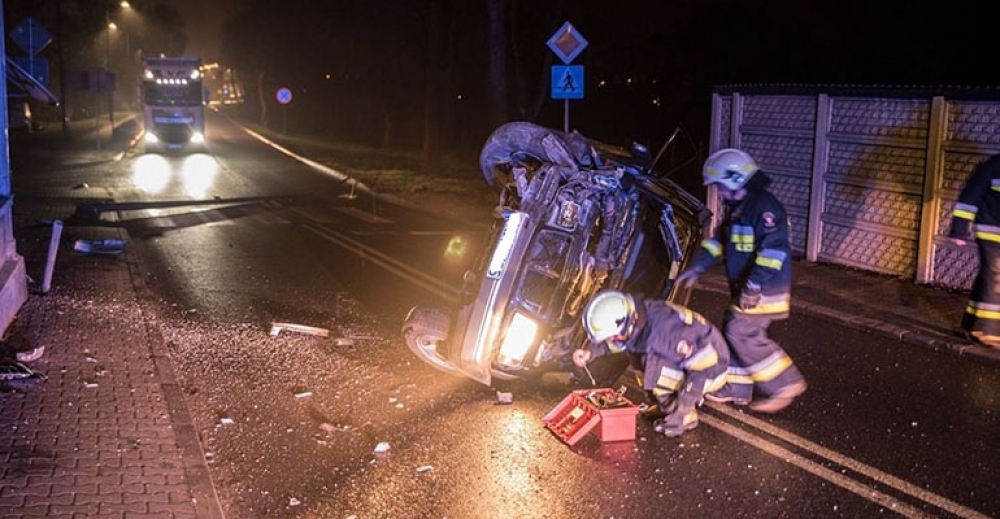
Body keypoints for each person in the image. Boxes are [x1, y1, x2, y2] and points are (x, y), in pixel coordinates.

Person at [675, 148, 807, 413]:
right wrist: (697, 267)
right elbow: (718, 244)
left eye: (721, 187)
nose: (720, 193)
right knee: (731, 329)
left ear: (736, 180)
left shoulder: (765, 209)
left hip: (765, 288)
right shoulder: (738, 209)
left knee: (740, 331)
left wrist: (754, 285)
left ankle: (785, 383)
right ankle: (737, 388)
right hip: (747, 287)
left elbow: (774, 251)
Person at [572, 290, 730, 437]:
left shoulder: (664, 334)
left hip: (712, 369)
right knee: (636, 354)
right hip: (691, 360)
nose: (611, 340)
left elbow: (701, 371)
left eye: (612, 336)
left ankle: (681, 413)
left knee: (654, 369)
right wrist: (590, 352)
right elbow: (622, 342)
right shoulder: (638, 318)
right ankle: (664, 404)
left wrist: (681, 411)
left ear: (628, 322)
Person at [948, 154, 1000, 347]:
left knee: (987, 277)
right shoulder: (993, 166)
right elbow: (969, 198)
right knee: (995, 278)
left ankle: (971, 323)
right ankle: (988, 331)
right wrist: (959, 230)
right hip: (990, 233)